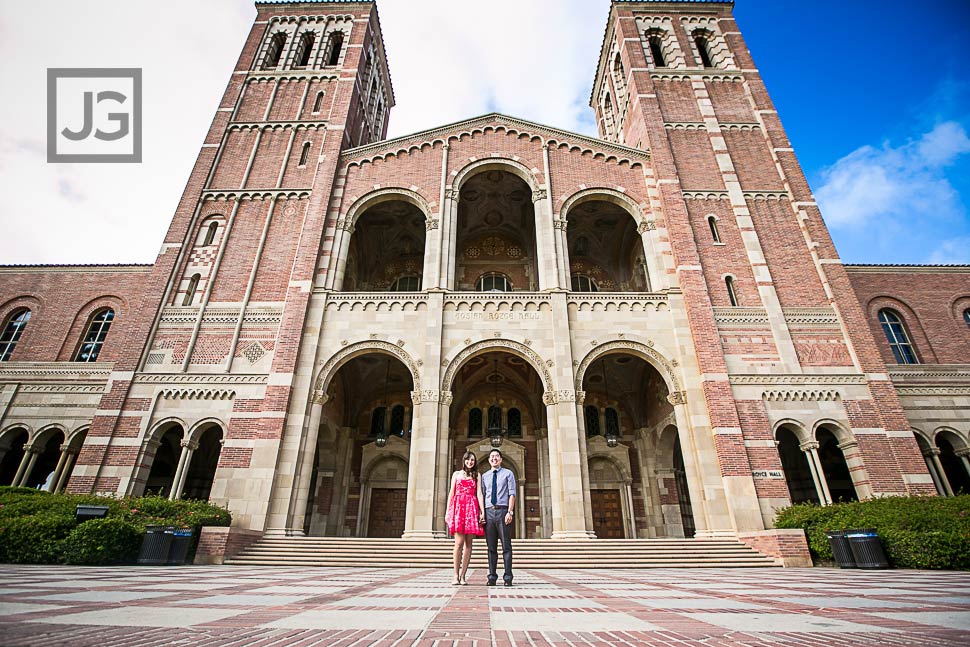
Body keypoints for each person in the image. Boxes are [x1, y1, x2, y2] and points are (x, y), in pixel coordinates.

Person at [445, 451, 485, 585]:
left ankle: (463, 576)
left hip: (471, 508)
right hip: (458, 509)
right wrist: (447, 511)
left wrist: (482, 511)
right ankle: (455, 575)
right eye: (468, 460)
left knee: (469, 544)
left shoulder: (477, 475)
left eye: (472, 460)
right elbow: (452, 493)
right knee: (458, 543)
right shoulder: (456, 474)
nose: (470, 462)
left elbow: (479, 493)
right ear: (464, 460)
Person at [480, 448, 515, 586]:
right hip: (489, 513)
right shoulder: (485, 476)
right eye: (492, 456)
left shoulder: (508, 473)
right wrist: (482, 513)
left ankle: (508, 577)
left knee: (506, 546)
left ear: (501, 459)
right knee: (491, 548)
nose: (494, 458)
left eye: (497, 456)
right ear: (489, 460)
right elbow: (482, 495)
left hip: (503, 511)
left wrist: (510, 512)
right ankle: (492, 577)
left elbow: (512, 494)